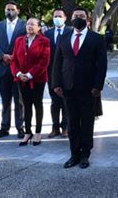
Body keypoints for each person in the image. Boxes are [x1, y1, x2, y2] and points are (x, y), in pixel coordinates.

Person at [52, 7, 107, 169]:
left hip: (89, 88)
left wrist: (98, 86)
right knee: (72, 121)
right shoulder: (64, 38)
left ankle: (85, 154)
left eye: (82, 16)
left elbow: (101, 65)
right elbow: (57, 63)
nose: (79, 18)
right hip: (68, 87)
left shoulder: (96, 38)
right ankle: (74, 154)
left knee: (87, 121)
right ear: (71, 18)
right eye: (76, 16)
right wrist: (56, 83)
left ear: (87, 19)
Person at [10, 18, 51, 146]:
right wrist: (18, 74)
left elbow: (44, 61)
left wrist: (30, 74)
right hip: (21, 79)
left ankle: (38, 132)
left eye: (33, 24)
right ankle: (28, 131)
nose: (30, 26)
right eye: (28, 24)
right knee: (26, 105)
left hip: (37, 78)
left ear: (39, 27)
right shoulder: (19, 40)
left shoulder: (44, 41)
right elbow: (14, 59)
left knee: (37, 104)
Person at [0, 1, 26, 139]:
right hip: (2, 68)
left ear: (18, 10)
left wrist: (14, 57)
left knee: (19, 101)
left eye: (12, 9)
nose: (9, 12)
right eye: (7, 9)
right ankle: (4, 127)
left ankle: (20, 127)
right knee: (5, 100)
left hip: (18, 69)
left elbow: (27, 43)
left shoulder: (24, 25)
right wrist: (2, 56)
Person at [44, 8, 72, 138]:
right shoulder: (47, 34)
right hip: (51, 72)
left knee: (66, 101)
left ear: (65, 18)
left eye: (60, 16)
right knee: (55, 102)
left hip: (66, 72)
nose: (57, 18)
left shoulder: (71, 31)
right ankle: (55, 127)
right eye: (55, 16)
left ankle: (65, 126)